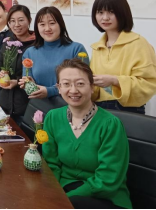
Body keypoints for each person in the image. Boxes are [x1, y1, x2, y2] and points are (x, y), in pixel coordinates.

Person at [43, 59, 132, 210]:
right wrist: (53, 193)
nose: (73, 90)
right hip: (65, 190)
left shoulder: (110, 125)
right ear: (58, 88)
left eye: (80, 84)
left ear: (92, 87)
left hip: (106, 197)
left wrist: (63, 200)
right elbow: (51, 164)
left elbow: (108, 179)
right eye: (66, 84)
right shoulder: (53, 117)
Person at [90, 0, 156, 114]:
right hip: (99, 109)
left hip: (128, 110)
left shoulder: (138, 43)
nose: (105, 17)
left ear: (122, 13)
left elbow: (149, 84)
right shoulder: (97, 47)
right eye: (100, 12)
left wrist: (115, 80)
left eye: (111, 12)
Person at [20, 7, 87, 100]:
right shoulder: (29, 53)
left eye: (52, 23)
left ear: (60, 24)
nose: (47, 28)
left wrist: (49, 91)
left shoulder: (77, 49)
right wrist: (29, 84)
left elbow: (82, 82)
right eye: (42, 24)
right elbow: (28, 82)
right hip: (39, 105)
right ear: (37, 27)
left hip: (70, 104)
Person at [0, 5, 36, 123]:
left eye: (21, 20)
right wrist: (0, 74)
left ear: (29, 20)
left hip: (26, 106)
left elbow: (37, 76)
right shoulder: (8, 43)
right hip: (5, 104)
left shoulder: (36, 45)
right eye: (12, 21)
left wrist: (17, 82)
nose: (16, 25)